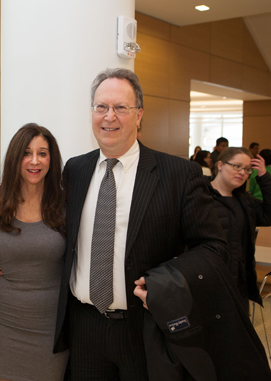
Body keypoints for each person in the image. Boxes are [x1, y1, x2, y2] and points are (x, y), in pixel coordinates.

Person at [51, 68, 228, 380]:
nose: (109, 117)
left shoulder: (178, 174)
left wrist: (165, 282)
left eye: (121, 107)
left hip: (145, 327)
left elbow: (213, 247)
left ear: (139, 115)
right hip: (84, 326)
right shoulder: (75, 170)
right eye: (101, 107)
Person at [0, 123, 67, 381]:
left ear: (52, 159)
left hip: (53, 325)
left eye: (42, 153)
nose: (34, 161)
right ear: (16, 158)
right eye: (27, 153)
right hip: (8, 323)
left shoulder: (66, 206)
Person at [207, 147, 271, 311]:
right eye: (237, 166)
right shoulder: (200, 196)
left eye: (247, 169)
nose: (242, 172)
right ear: (220, 165)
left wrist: (264, 177)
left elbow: (268, 215)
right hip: (208, 282)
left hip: (240, 282)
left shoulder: (244, 201)